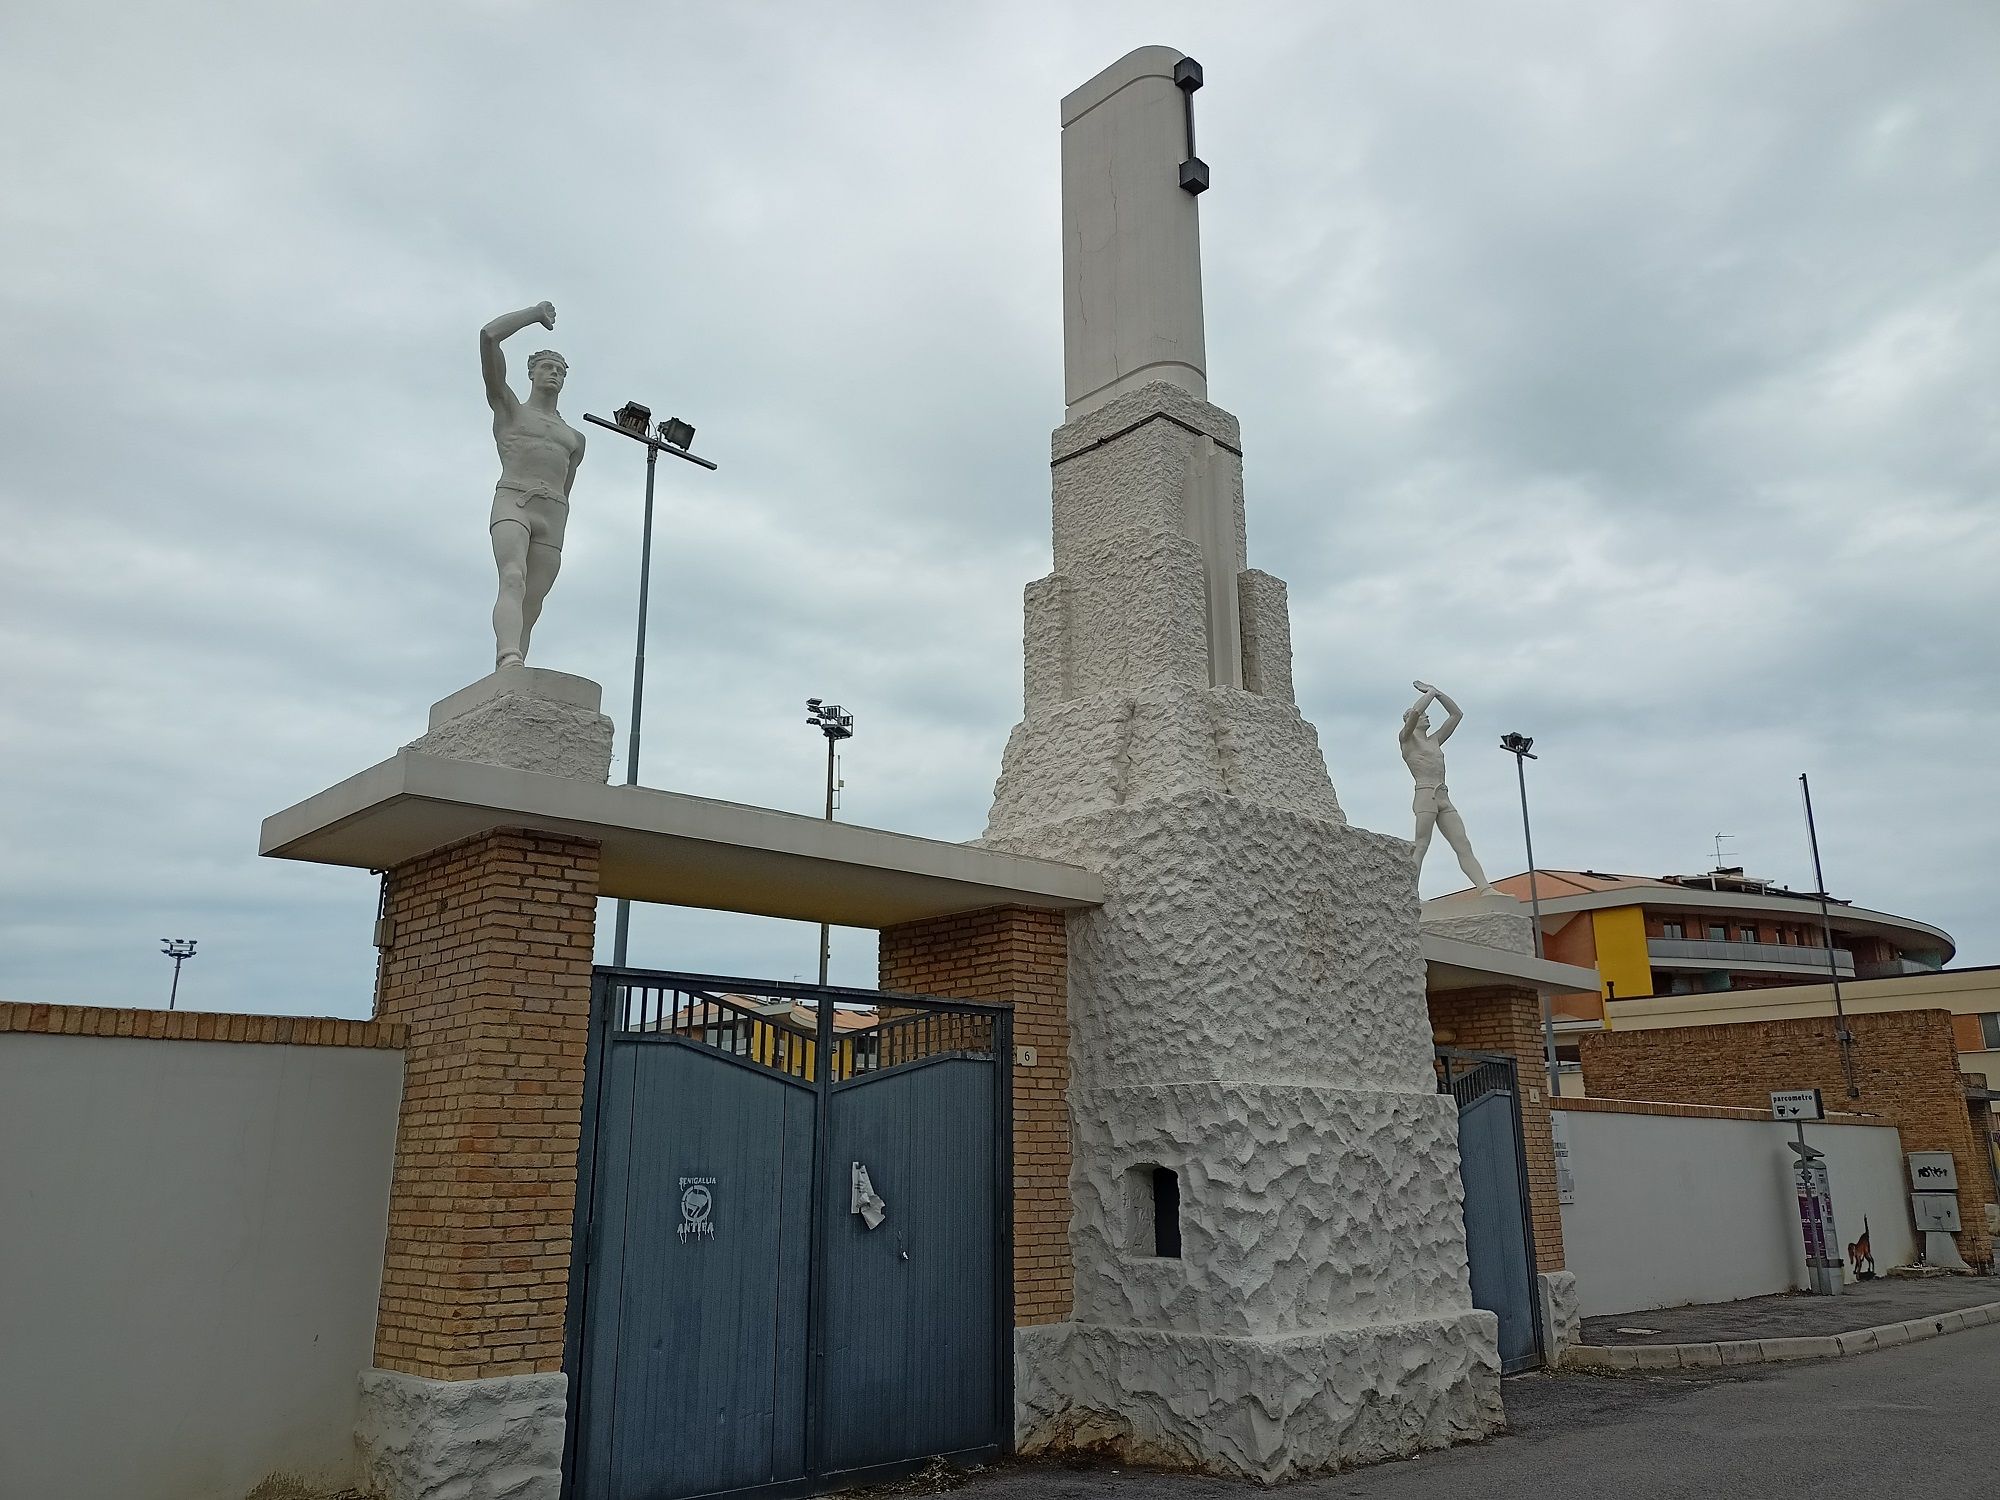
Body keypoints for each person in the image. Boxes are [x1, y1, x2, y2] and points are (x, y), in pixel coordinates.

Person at [480, 301, 585, 669]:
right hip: (514, 500)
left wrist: (557, 516)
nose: (553, 374)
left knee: (533, 602)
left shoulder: (574, 438)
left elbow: (566, 488)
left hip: (552, 511)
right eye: (546, 367)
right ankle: (508, 656)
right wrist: (534, 314)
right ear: (532, 373)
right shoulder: (510, 410)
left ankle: (513, 668)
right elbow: (489, 337)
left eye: (559, 370)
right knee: (512, 577)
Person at [1399, 680, 1494, 892]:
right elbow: (1415, 711)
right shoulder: (1406, 739)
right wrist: (1429, 694)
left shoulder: (1434, 741)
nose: (1427, 716)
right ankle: (1410, 893)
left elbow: (1456, 715)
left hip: (1443, 795)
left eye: (1427, 714)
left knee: (1463, 844)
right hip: (1425, 794)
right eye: (1425, 715)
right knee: (1421, 844)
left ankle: (1485, 888)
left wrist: (1438, 693)